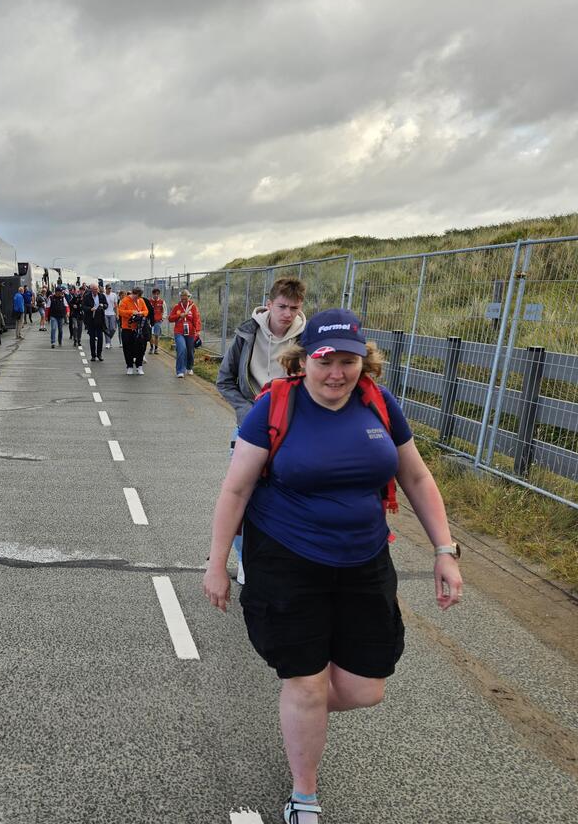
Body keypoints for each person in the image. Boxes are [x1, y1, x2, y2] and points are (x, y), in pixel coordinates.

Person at [203, 308, 463, 824]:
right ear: (303, 360)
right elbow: (236, 488)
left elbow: (416, 478)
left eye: (349, 362)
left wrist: (444, 550)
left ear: (364, 364)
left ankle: (299, 708)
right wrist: (216, 564)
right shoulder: (275, 407)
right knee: (306, 680)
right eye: (325, 360)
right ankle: (304, 796)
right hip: (285, 560)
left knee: (366, 689)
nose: (337, 373)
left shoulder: (379, 404)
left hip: (365, 561)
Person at [215, 277, 307, 583]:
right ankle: (244, 558)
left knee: (290, 496)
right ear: (269, 304)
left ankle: (288, 559)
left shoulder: (307, 340)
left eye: (294, 308)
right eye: (282, 306)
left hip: (292, 430)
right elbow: (224, 380)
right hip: (251, 427)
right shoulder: (246, 333)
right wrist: (247, 413)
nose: (287, 314)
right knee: (242, 494)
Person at [168, 289, 201, 378]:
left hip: (190, 332)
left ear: (188, 297)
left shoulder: (193, 307)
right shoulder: (177, 307)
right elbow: (170, 318)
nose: (183, 299)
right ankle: (180, 370)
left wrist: (197, 331)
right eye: (182, 297)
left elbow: (196, 319)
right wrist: (179, 315)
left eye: (185, 297)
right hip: (179, 332)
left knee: (190, 351)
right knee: (182, 349)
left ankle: (189, 367)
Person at [117, 287, 150, 374]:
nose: (137, 298)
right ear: (133, 294)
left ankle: (139, 366)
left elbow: (146, 311)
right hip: (127, 328)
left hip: (138, 328)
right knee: (127, 347)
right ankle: (129, 366)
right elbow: (120, 312)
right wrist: (131, 312)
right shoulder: (125, 300)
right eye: (136, 296)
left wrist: (140, 313)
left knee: (140, 347)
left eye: (138, 297)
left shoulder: (141, 300)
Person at [82, 283, 108, 362]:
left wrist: (103, 305)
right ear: (91, 290)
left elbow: (106, 305)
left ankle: (99, 354)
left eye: (97, 289)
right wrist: (90, 309)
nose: (96, 291)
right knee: (92, 338)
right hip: (91, 320)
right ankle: (93, 355)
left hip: (100, 320)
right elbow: (83, 307)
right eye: (94, 289)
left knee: (100, 337)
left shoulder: (102, 296)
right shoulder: (87, 296)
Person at [148, 289, 166, 355]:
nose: (156, 295)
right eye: (155, 294)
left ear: (159, 294)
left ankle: (156, 348)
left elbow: (165, 311)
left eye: (157, 294)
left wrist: (162, 318)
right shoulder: (149, 301)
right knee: (150, 335)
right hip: (150, 321)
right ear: (152, 294)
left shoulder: (162, 302)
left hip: (158, 321)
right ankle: (151, 347)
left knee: (156, 335)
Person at [102, 284, 119, 350]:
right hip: (105, 313)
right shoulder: (103, 295)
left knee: (113, 328)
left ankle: (109, 338)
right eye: (108, 288)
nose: (109, 289)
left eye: (110, 288)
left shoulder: (114, 295)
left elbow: (116, 306)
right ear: (106, 289)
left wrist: (117, 314)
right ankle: (108, 343)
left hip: (112, 313)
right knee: (106, 328)